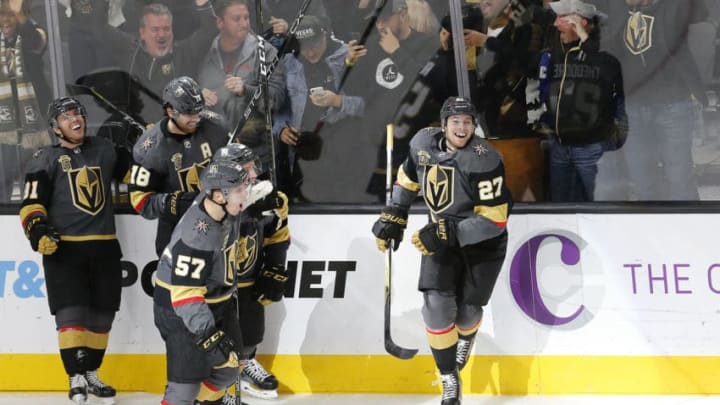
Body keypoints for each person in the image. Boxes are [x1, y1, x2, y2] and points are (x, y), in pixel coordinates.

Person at [371, 97, 511, 405]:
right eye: (456, 121)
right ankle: (449, 377)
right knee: (436, 307)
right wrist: (395, 212)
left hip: (482, 244)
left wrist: (450, 232)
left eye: (468, 122)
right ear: (443, 123)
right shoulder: (422, 143)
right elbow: (408, 179)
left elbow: (496, 219)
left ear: (474, 127)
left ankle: (466, 336)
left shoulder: (485, 159)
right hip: (440, 238)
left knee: (468, 313)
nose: (462, 128)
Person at [18, 97, 131, 404]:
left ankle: (92, 373)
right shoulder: (45, 158)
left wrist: (147, 146)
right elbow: (31, 203)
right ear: (55, 128)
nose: (75, 119)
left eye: (77, 113)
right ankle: (75, 376)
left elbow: (140, 177)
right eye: (66, 117)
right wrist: (37, 230)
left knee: (102, 315)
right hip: (65, 251)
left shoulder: (104, 149)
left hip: (105, 248)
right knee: (71, 314)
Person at [153, 154, 254, 405]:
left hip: (216, 299)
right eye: (241, 190)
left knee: (231, 367)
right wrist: (209, 337)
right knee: (184, 390)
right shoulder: (197, 236)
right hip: (182, 310)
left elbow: (222, 175)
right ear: (219, 196)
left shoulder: (217, 201)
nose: (246, 194)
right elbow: (185, 297)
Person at [597, 0, 707, 200]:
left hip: (672, 104)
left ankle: (686, 228)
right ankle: (651, 230)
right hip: (632, 107)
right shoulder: (618, 9)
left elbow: (700, 11)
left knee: (680, 180)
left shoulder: (674, 6)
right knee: (642, 183)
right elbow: (608, 48)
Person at [211, 143, 291, 402]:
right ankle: (221, 383)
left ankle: (244, 367)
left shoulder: (268, 196)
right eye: (247, 169)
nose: (255, 173)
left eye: (254, 167)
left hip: (247, 276)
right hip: (216, 283)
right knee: (217, 336)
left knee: (251, 330)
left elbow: (278, 235)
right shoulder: (213, 198)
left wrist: (275, 269)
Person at [530, 0, 627, 202]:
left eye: (561, 18)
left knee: (604, 206)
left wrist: (585, 38)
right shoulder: (555, 54)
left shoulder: (607, 55)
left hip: (593, 148)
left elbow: (610, 79)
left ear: (580, 21)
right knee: (561, 208)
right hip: (559, 146)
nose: (556, 24)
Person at [343, 0, 437, 202]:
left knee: (416, 202)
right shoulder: (373, 46)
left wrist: (397, 52)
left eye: (386, 20)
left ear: (403, 15)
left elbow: (428, 86)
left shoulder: (427, 43)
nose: (380, 26)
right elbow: (356, 91)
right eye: (377, 21)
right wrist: (350, 63)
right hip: (376, 144)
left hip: (413, 139)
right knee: (380, 204)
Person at [129, 76, 228, 257]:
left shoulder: (215, 125)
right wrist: (172, 203)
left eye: (199, 111)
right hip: (176, 233)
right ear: (170, 110)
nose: (197, 118)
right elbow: (138, 199)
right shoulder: (149, 148)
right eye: (189, 113)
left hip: (219, 227)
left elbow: (239, 165)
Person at [273, 15, 367, 203]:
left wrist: (337, 101)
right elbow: (277, 107)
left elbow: (369, 106)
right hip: (302, 148)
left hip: (340, 144)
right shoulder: (287, 61)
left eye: (315, 44)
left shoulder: (349, 55)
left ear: (325, 35)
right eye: (304, 47)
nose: (310, 52)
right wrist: (281, 129)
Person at [197, 0, 286, 170]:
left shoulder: (265, 52)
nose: (244, 23)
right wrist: (199, 95)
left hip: (257, 156)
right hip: (216, 154)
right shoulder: (203, 51)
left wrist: (247, 90)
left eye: (246, 18)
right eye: (237, 19)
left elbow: (278, 99)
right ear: (220, 22)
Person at [0, 3, 52, 202]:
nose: (6, 20)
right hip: (3, 125)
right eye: (2, 15)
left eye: (10, 16)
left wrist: (20, 15)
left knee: (32, 181)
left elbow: (36, 43)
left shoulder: (31, 32)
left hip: (32, 115)